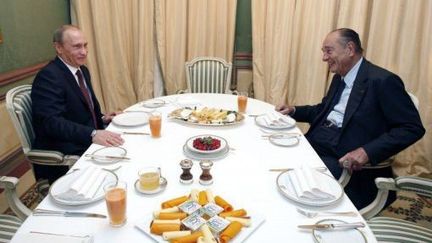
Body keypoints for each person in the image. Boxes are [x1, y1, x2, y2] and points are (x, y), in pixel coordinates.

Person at [276, 28, 425, 209]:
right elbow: (324, 110)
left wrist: (366, 151)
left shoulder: (383, 81)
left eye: (328, 51)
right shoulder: (340, 77)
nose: (324, 58)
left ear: (350, 49)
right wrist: (293, 110)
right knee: (277, 153)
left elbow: (411, 128)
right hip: (319, 140)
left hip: (343, 159)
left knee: (295, 181)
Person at [31, 25, 124, 183]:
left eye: (85, 45)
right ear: (59, 48)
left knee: (129, 145)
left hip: (82, 139)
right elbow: (51, 123)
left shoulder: (82, 70)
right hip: (67, 148)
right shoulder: (49, 76)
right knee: (123, 164)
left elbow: (80, 111)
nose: (84, 51)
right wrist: (93, 133)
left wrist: (102, 118)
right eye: (77, 47)